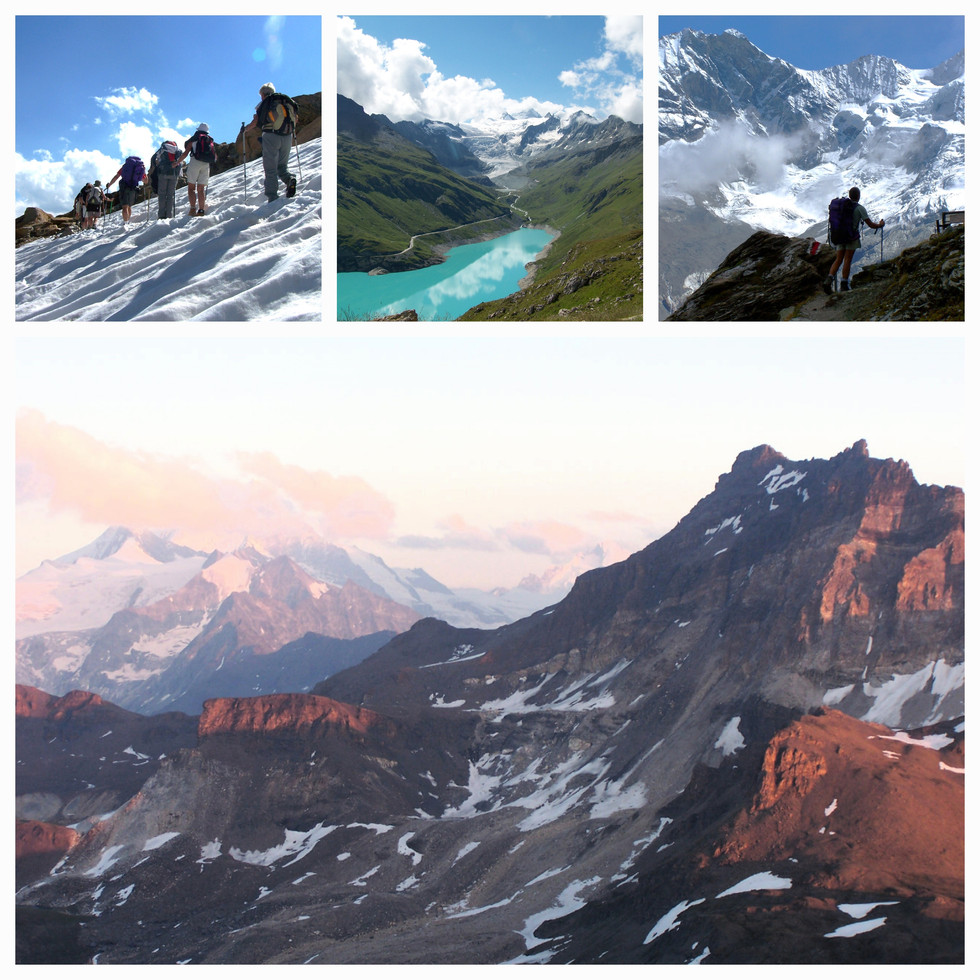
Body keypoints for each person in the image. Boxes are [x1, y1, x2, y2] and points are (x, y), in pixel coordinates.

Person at [245, 83, 298, 202]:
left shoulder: (265, 103)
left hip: (270, 136)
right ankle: (289, 179)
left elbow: (256, 121)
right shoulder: (286, 101)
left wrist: (245, 129)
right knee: (282, 166)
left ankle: (272, 197)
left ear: (262, 94)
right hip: (287, 136)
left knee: (270, 169)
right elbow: (296, 118)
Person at [826, 187, 885, 292]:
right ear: (858, 196)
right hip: (851, 237)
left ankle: (828, 280)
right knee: (847, 260)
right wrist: (880, 225)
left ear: (850, 195)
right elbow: (870, 224)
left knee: (838, 259)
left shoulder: (842, 207)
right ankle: (844, 284)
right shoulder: (859, 208)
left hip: (839, 236)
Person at [176, 123, 216, 216]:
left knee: (191, 188)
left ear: (198, 130)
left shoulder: (194, 139)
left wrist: (177, 162)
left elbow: (185, 153)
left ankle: (193, 209)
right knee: (201, 189)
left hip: (195, 163)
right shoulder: (209, 140)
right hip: (206, 164)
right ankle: (201, 210)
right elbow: (214, 156)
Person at [106, 155, 148, 223]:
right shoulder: (139, 168)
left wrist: (110, 184)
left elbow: (116, 176)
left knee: (125, 206)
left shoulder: (126, 167)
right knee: (129, 206)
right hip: (134, 187)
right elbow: (146, 181)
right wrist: (144, 171)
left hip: (124, 186)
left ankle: (125, 223)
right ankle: (128, 222)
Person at [151, 140, 182, 219]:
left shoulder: (163, 149)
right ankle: (169, 215)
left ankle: (161, 215)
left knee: (162, 194)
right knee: (170, 195)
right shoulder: (177, 150)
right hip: (174, 174)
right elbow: (180, 162)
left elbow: (154, 158)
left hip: (163, 173)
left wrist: (156, 166)